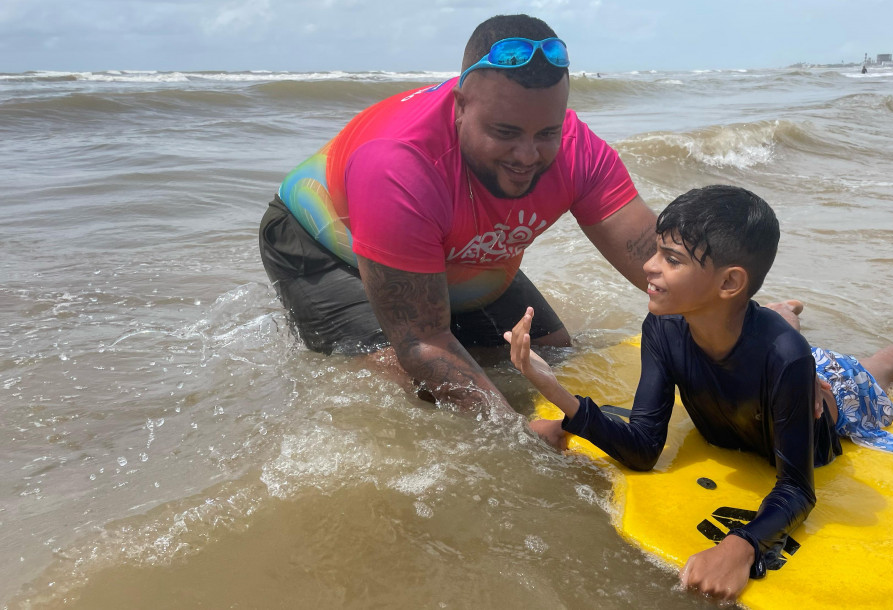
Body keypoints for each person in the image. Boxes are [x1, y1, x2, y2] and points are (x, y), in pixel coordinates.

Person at [504, 185, 893, 601]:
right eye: (656, 251)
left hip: (830, 392)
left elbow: (798, 489)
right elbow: (644, 446)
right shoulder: (662, 326)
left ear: (730, 282)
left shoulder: (786, 358)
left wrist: (741, 545)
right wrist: (556, 394)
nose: (650, 266)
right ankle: (785, 311)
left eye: (670, 259)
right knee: (776, 331)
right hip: (765, 343)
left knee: (880, 368)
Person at [258, 14, 657, 411]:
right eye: (506, 132)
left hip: (443, 242)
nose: (527, 155)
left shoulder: (577, 149)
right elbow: (423, 342)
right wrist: (519, 443)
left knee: (551, 354)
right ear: (460, 107)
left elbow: (661, 267)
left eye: (546, 133)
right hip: (319, 240)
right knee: (415, 385)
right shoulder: (399, 164)